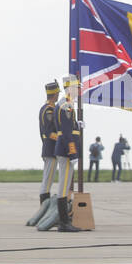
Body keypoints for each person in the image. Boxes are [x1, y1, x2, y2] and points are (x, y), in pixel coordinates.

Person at [53, 75, 83, 232]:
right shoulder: (66, 105)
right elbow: (65, 132)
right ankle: (64, 223)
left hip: (64, 149)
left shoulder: (67, 104)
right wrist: (72, 152)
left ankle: (64, 222)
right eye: (77, 87)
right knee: (64, 186)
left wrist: (77, 126)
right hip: (65, 150)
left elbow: (69, 128)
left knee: (64, 186)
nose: (79, 90)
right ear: (70, 88)